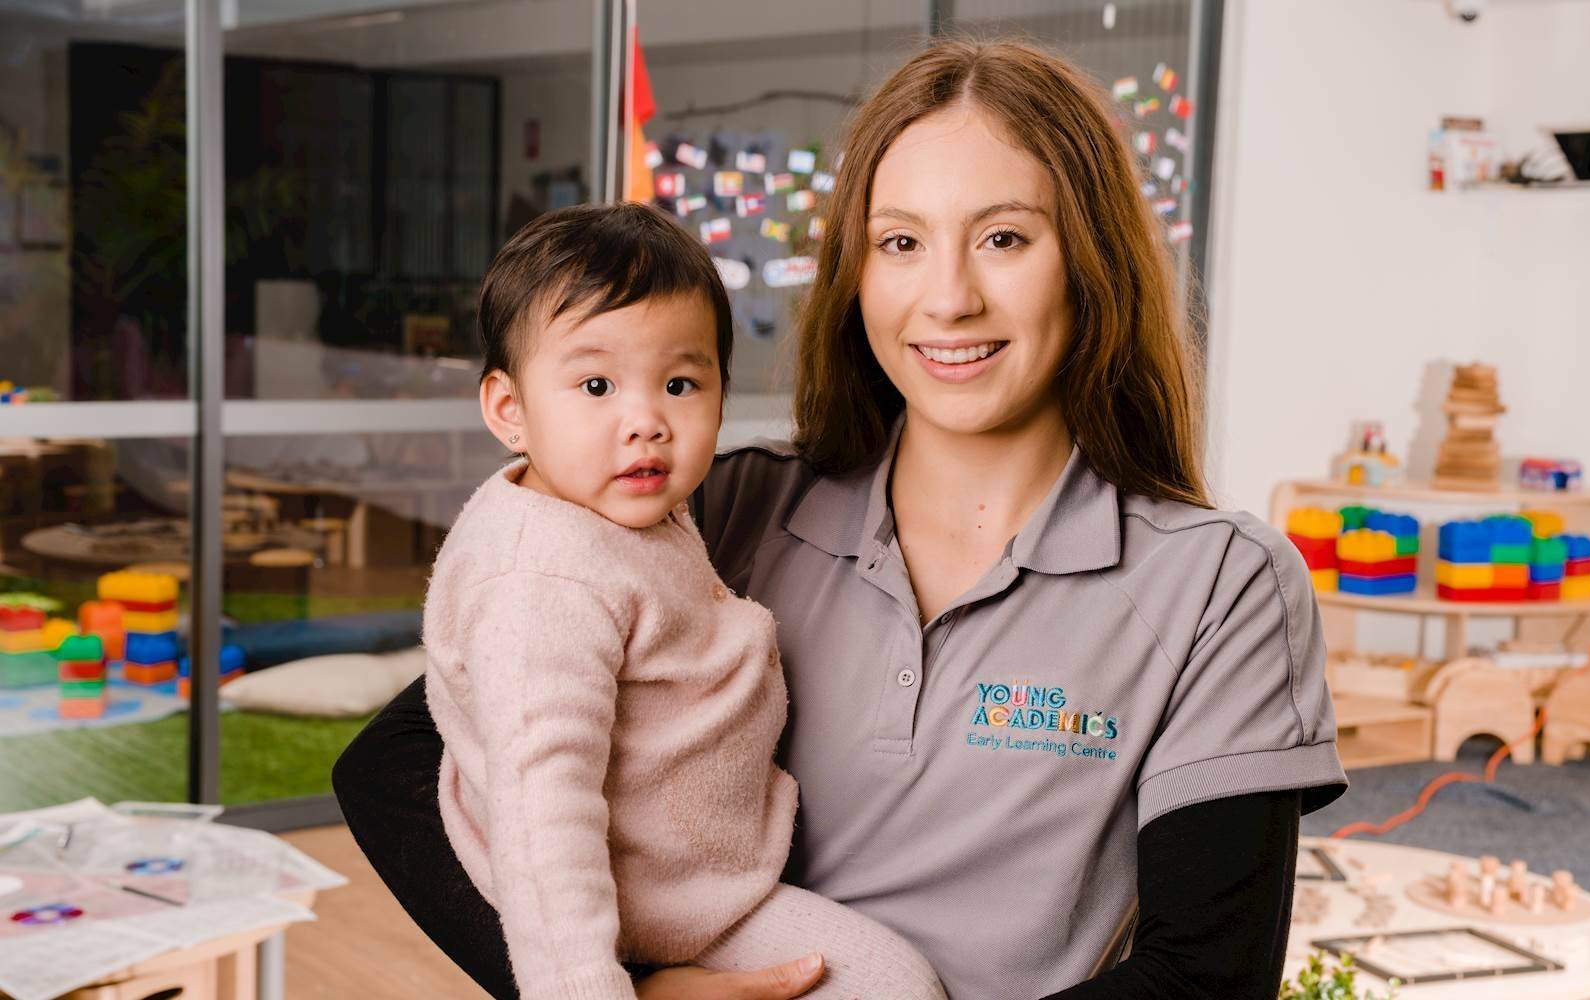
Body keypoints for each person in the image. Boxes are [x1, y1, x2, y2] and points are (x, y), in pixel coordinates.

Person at [335, 38, 1347, 999]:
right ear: (855, 275)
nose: (946, 297)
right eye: (899, 241)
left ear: (1089, 263)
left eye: (1002, 238)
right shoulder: (715, 512)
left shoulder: (1221, 585)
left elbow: (1204, 980)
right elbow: (402, 765)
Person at [425, 201, 945, 999]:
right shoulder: (540, 585)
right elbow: (541, 823)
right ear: (509, 410)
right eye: (596, 384)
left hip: (700, 880)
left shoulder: (611, 510)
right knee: (894, 988)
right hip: (639, 902)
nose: (646, 422)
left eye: (680, 382)